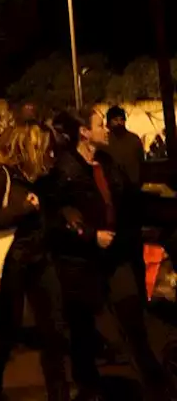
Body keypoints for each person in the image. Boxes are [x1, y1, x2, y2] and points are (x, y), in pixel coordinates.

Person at [49, 110, 174, 401]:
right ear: (83, 132)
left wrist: (163, 211)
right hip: (81, 262)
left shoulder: (106, 161)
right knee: (82, 328)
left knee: (131, 314)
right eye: (99, 125)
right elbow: (59, 215)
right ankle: (88, 386)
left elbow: (128, 198)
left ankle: (155, 383)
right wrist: (90, 235)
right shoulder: (65, 168)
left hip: (114, 254)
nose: (106, 129)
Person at [0, 122, 70, 401]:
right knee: (7, 332)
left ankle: (58, 394)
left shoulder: (40, 176)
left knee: (55, 330)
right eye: (44, 148)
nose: (50, 153)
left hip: (39, 260)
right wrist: (22, 210)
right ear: (27, 147)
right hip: (10, 263)